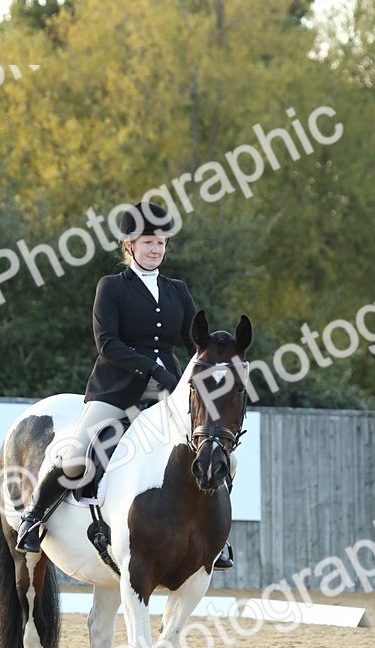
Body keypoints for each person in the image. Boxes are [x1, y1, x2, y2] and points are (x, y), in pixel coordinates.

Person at [16, 200, 234, 568]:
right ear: (129, 245)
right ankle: (34, 517)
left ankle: (219, 537)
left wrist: (216, 357)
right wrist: (153, 369)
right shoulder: (112, 287)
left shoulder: (177, 290)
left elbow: (192, 340)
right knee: (76, 458)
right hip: (116, 389)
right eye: (149, 242)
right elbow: (107, 343)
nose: (156, 250)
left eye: (162, 243)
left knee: (214, 451)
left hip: (169, 392)